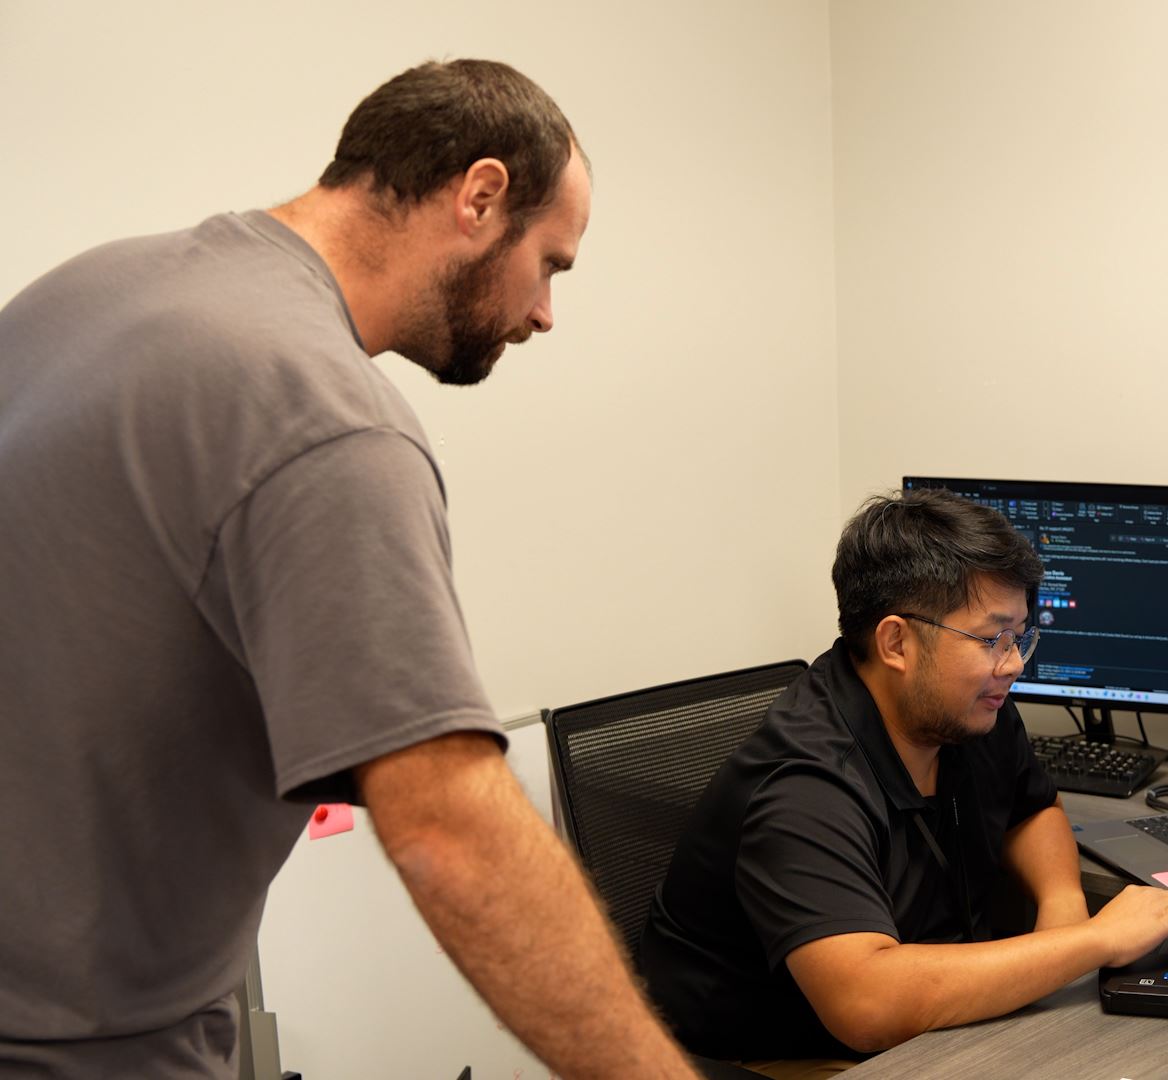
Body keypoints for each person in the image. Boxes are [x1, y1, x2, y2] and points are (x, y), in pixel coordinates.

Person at [0, 60, 695, 1079]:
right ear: (480, 195)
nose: (545, 313)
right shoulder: (323, 421)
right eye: (550, 264)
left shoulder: (92, 289)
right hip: (80, 1046)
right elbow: (447, 829)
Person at [637, 489, 1168, 1071]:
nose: (1012, 664)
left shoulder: (966, 710)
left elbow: (1034, 807)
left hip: (929, 1025)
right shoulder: (804, 788)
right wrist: (1094, 941)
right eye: (991, 639)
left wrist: (1062, 909)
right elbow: (867, 1004)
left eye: (1019, 638)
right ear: (896, 642)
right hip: (779, 1060)